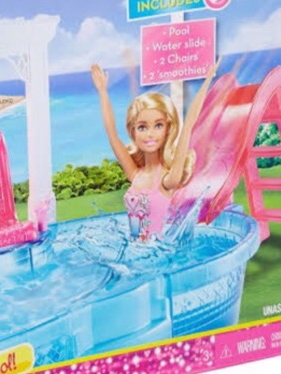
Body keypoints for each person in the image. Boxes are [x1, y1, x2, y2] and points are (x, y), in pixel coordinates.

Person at [90, 59, 221, 241]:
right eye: (142, 127)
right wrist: (103, 92)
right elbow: (112, 133)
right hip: (134, 250)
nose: (150, 134)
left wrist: (206, 82)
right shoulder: (135, 174)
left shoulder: (167, 180)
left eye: (158, 125)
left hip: (156, 252)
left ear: (168, 129)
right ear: (133, 132)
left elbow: (189, 123)